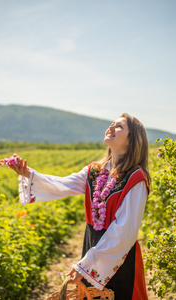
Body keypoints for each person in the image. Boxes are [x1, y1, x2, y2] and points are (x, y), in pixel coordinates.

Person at [9, 113, 150, 300]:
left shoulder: (136, 179)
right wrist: (29, 174)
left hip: (119, 253)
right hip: (92, 242)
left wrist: (87, 266)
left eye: (119, 127)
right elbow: (64, 184)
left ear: (133, 140)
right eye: (112, 124)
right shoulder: (95, 170)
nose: (111, 127)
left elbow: (124, 231)